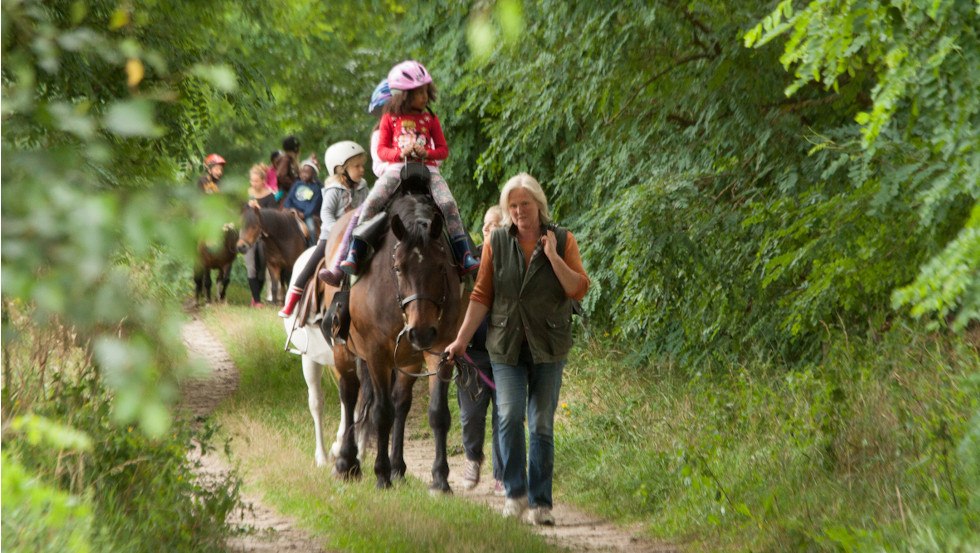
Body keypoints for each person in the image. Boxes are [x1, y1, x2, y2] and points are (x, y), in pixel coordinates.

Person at [446, 174, 590, 526]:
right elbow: (482, 295)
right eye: (513, 205)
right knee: (509, 416)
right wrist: (461, 340)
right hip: (506, 346)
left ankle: (540, 503)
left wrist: (554, 258)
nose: (519, 211)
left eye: (525, 204)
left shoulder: (563, 239)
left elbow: (578, 288)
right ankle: (514, 494)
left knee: (541, 424)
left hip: (548, 346)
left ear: (538, 205)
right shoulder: (496, 240)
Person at [337, 60, 478, 276]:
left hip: (428, 170)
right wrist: (400, 154)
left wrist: (426, 153)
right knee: (373, 201)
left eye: (424, 92)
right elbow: (383, 151)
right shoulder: (389, 119)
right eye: (418, 93)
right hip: (395, 170)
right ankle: (355, 251)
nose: (423, 97)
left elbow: (442, 150)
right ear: (404, 95)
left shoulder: (431, 118)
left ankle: (464, 254)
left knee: (448, 203)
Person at [279, 141, 369, 318]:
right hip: (332, 236)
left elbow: (367, 208)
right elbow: (326, 213)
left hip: (358, 235)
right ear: (341, 169)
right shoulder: (334, 189)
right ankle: (291, 302)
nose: (362, 170)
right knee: (310, 266)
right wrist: (338, 229)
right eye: (356, 166)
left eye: (362, 166)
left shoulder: (363, 186)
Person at [458, 205, 505, 494]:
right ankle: (473, 458)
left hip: (505, 354)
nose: (488, 229)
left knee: (506, 416)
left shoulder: (515, 261)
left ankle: (502, 474)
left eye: (495, 225)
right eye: (486, 225)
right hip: (472, 354)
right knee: (471, 415)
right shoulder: (467, 264)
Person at [244, 163, 277, 307]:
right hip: (247, 232)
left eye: (256, 181)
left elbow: (273, 216)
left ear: (263, 181)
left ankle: (255, 295)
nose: (254, 183)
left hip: (263, 234)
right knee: (251, 265)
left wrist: (260, 209)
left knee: (262, 266)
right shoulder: (247, 193)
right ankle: (257, 301)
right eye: (252, 180)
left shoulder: (270, 196)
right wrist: (247, 208)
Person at [283, 158, 323, 246]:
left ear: (313, 174)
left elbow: (313, 205)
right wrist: (288, 207)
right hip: (292, 210)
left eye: (307, 172)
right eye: (302, 172)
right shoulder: (297, 184)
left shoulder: (316, 188)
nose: (303, 174)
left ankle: (312, 246)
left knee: (311, 228)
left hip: (306, 214)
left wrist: (304, 214)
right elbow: (290, 197)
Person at [368, 78, 392, 178]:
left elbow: (436, 158)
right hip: (393, 181)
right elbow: (378, 167)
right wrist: (399, 166)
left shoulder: (418, 129)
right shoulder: (378, 135)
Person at [275, 135, 301, 202]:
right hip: (287, 194)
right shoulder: (285, 159)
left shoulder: (290, 159)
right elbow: (281, 175)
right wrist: (294, 185)